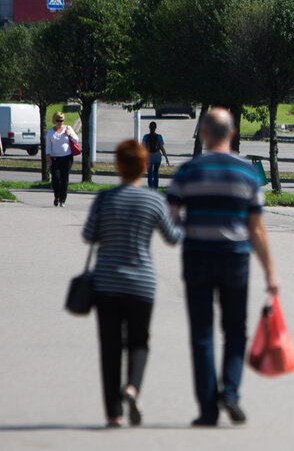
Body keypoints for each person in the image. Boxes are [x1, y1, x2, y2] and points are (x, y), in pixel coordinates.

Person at [167, 107, 280, 427]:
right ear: (232, 133)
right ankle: (230, 391)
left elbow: (170, 219)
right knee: (235, 331)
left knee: (201, 334)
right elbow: (256, 227)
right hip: (235, 258)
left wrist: (183, 233)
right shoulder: (248, 174)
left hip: (197, 257)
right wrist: (270, 271)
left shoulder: (187, 172)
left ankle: (207, 409)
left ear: (203, 134)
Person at [83, 140, 183, 428]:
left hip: (106, 283)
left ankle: (113, 413)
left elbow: (89, 235)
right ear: (143, 166)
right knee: (139, 341)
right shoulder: (153, 200)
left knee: (110, 347)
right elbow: (173, 238)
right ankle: (133, 387)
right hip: (141, 284)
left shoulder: (104, 198)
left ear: (117, 166)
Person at [45, 112, 79, 207]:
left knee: (64, 178)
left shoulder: (68, 129)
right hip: (55, 158)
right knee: (55, 178)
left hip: (67, 157)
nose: (60, 123)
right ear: (54, 121)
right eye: (58, 121)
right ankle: (57, 196)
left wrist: (69, 135)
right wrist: (48, 157)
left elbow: (76, 140)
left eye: (62, 120)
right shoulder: (50, 132)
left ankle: (62, 200)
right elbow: (48, 146)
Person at [142, 122, 170, 189]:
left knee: (150, 174)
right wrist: (166, 157)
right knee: (156, 173)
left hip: (149, 157)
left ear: (149, 127)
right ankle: (155, 188)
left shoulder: (145, 137)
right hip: (157, 156)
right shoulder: (159, 137)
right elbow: (162, 148)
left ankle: (151, 188)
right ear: (155, 128)